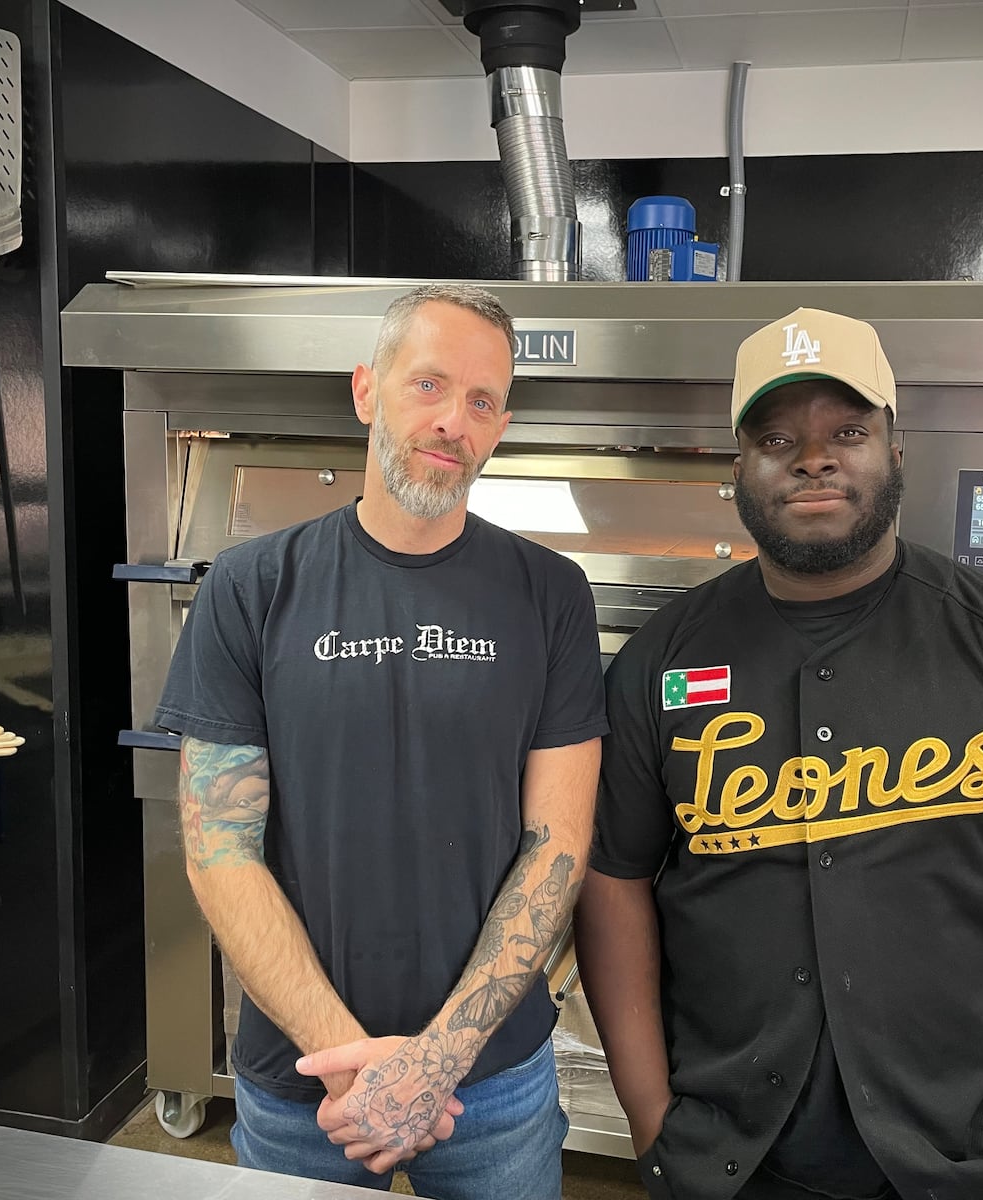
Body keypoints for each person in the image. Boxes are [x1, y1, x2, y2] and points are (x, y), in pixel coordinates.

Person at [575, 308, 983, 1200]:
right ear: (737, 469)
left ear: (897, 453)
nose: (813, 457)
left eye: (847, 432)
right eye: (777, 437)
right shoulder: (663, 659)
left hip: (963, 1158)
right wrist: (650, 1112)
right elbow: (611, 878)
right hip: (727, 1156)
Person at [155, 283, 606, 1198]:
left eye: (482, 401)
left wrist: (438, 1060)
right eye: (429, 385)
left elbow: (555, 849)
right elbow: (219, 848)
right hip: (303, 1087)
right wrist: (351, 1062)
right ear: (367, 391)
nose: (453, 421)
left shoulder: (551, 594)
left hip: (493, 1088)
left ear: (502, 424)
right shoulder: (251, 587)